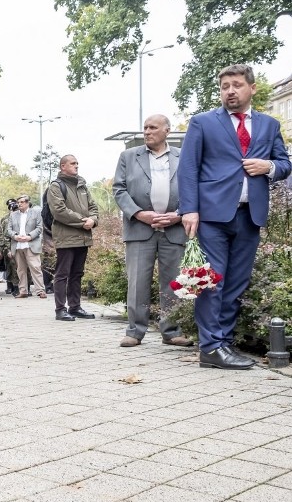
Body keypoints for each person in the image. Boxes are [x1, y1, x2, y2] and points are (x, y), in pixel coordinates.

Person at [178, 64, 291, 369]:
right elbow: (188, 167)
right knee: (212, 282)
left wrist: (268, 168)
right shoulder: (203, 123)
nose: (230, 90)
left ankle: (223, 342)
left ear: (252, 88)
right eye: (225, 85)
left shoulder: (269, 125)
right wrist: (189, 209)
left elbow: (284, 162)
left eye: (237, 84)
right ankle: (211, 346)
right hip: (212, 216)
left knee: (236, 284)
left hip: (250, 215)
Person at [113, 114, 193, 348]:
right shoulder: (128, 156)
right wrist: (139, 213)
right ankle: (135, 331)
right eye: (145, 128)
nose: (147, 132)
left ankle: (172, 331)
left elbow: (193, 186)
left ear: (167, 130)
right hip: (139, 227)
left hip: (174, 227)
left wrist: (179, 214)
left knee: (173, 282)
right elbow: (119, 189)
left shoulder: (183, 155)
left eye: (153, 127)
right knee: (137, 281)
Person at [48, 155, 98, 321]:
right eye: (73, 163)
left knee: (77, 273)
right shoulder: (56, 186)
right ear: (63, 166)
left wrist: (93, 220)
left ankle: (75, 307)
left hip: (83, 237)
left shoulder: (82, 185)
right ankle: (60, 309)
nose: (77, 166)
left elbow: (93, 207)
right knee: (62, 274)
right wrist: (83, 221)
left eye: (77, 163)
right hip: (66, 237)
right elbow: (59, 211)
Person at [3, 195, 46, 298]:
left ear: (27, 203)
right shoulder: (13, 215)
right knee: (20, 269)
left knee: (35, 267)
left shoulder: (35, 213)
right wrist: (15, 236)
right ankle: (23, 291)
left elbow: (39, 228)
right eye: (19, 202)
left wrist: (29, 237)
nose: (20, 204)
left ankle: (40, 290)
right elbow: (8, 230)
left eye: (22, 202)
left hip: (31, 243)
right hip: (17, 245)